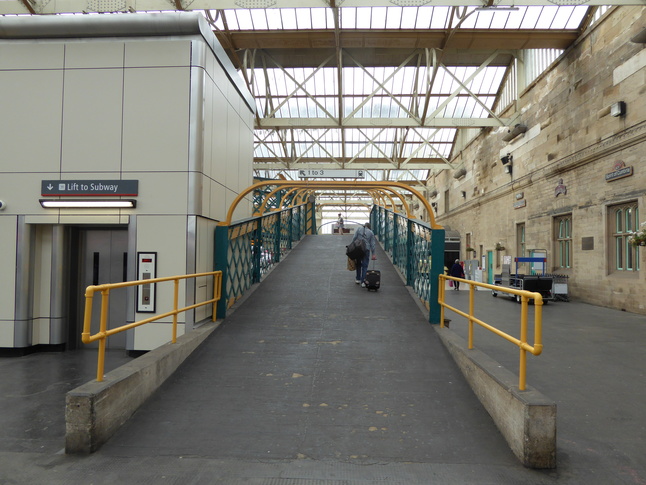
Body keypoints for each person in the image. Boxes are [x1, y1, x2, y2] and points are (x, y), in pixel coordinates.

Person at [352, 222, 376, 287]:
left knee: (358, 264)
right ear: (369, 227)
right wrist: (373, 254)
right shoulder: (371, 232)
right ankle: (363, 281)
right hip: (366, 249)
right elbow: (373, 244)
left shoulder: (359, 229)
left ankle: (358, 279)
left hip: (359, 249)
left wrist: (352, 246)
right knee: (365, 265)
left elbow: (354, 238)